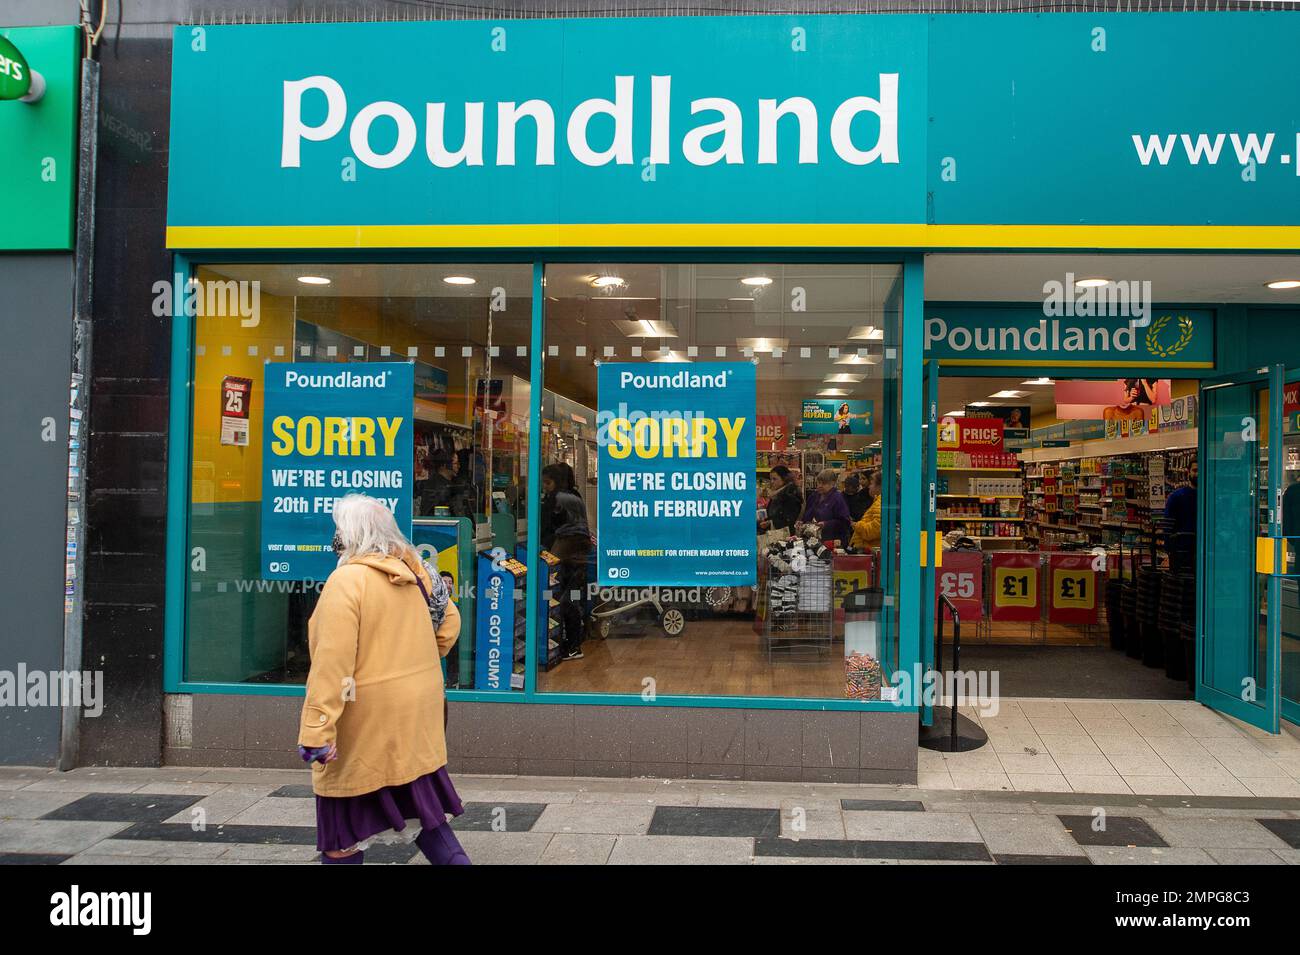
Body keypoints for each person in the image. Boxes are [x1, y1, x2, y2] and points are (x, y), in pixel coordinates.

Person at [298, 494, 469, 865]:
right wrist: (414, 659)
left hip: (367, 720)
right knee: (429, 817)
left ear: (349, 535)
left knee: (339, 835)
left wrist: (317, 732)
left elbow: (332, 664)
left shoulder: (347, 581)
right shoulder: (418, 573)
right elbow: (449, 623)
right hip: (416, 714)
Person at [542, 463, 591, 661]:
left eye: (547, 482)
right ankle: (575, 642)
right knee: (574, 596)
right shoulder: (575, 495)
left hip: (565, 552)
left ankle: (567, 645)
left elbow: (545, 525)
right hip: (580, 553)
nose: (545, 486)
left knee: (559, 597)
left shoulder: (556, 499)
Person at [801, 468, 853, 545]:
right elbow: (807, 515)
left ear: (833, 483)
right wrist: (802, 523)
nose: (819, 486)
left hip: (832, 541)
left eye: (824, 483)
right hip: (812, 540)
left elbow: (845, 522)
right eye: (818, 482)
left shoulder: (837, 498)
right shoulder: (813, 496)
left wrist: (826, 524)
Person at [1164, 460, 1197, 573]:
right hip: (1181, 552)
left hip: (1206, 552)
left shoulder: (1212, 497)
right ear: (1188, 472)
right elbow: (1168, 526)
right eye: (1195, 470)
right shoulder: (1177, 497)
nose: (1198, 474)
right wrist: (1169, 551)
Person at [851, 470, 884, 551]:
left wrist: (857, 525)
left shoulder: (880, 504)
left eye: (872, 483)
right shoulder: (878, 501)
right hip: (866, 548)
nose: (869, 486)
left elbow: (874, 530)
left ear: (879, 486)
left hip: (867, 549)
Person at [418, 449, 457, 515]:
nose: (458, 466)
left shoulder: (440, 482)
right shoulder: (440, 487)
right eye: (455, 463)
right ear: (445, 465)